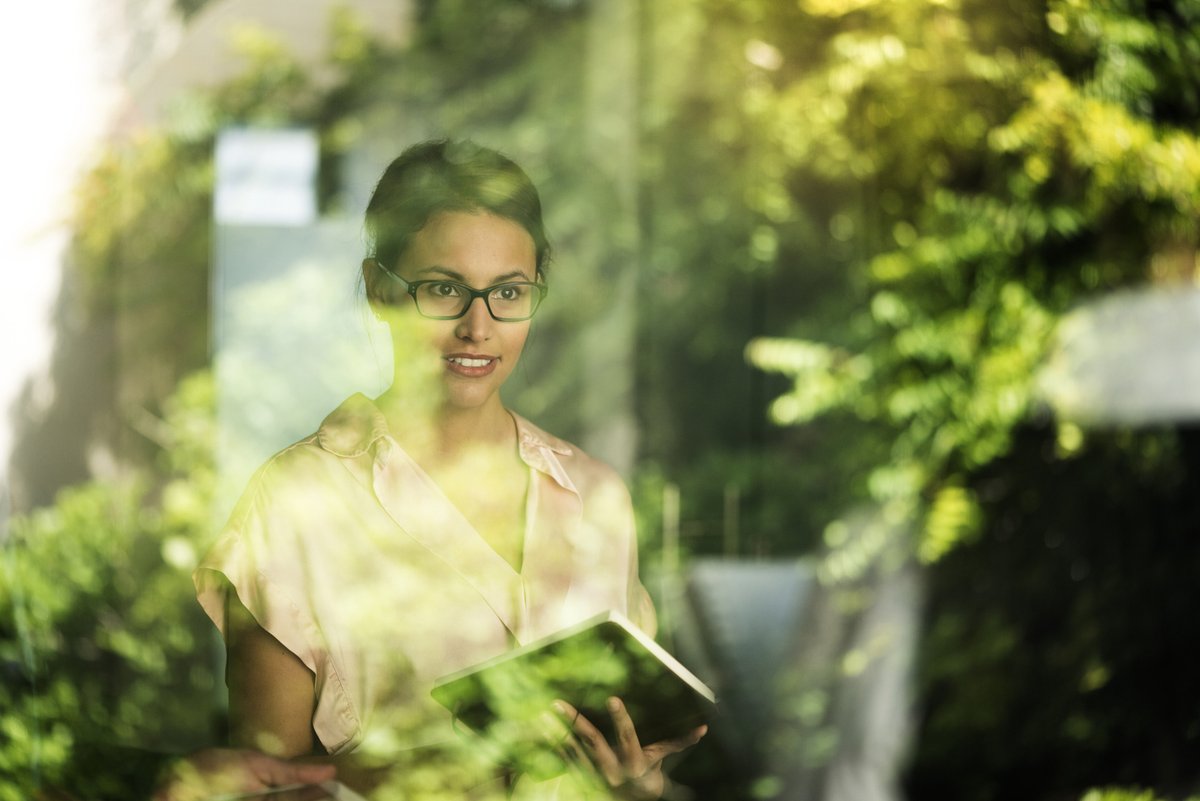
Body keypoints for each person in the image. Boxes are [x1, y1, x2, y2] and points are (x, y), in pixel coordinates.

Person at [194, 140, 705, 799]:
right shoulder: (293, 500)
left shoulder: (596, 495)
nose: (478, 325)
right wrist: (469, 761)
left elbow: (627, 771)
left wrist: (636, 777)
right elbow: (258, 787)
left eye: (508, 292)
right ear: (380, 289)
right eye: (443, 288)